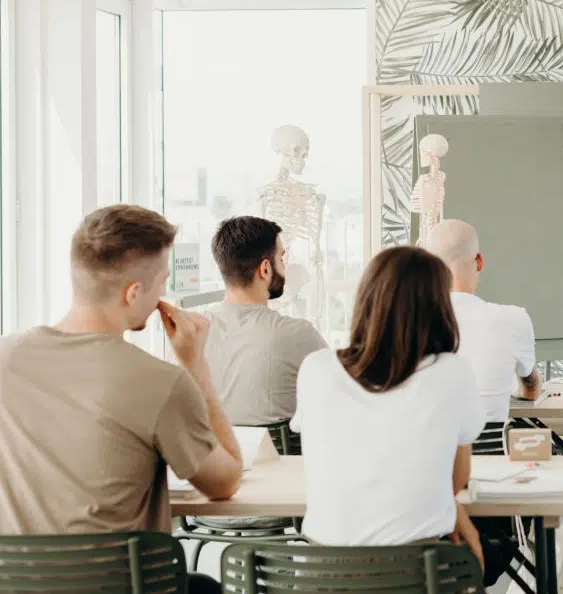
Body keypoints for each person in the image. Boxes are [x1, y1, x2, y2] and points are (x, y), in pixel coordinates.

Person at [0, 205, 243, 594]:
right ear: (133, 293)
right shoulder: (160, 382)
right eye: (161, 283)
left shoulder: (5, 359)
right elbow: (224, 482)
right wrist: (195, 366)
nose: (163, 293)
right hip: (122, 585)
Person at [292, 246, 486, 569]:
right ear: (439, 308)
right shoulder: (452, 372)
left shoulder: (315, 368)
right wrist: (452, 513)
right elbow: (456, 478)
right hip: (417, 575)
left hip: (320, 575)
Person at [206, 216, 327, 426]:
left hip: (211, 457)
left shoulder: (189, 333)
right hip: (282, 458)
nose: (284, 267)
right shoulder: (297, 334)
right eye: (281, 259)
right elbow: (340, 392)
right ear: (265, 269)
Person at [426, 219, 540, 422]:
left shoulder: (408, 324)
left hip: (431, 452)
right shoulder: (514, 319)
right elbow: (531, 390)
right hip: (489, 452)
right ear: (479, 261)